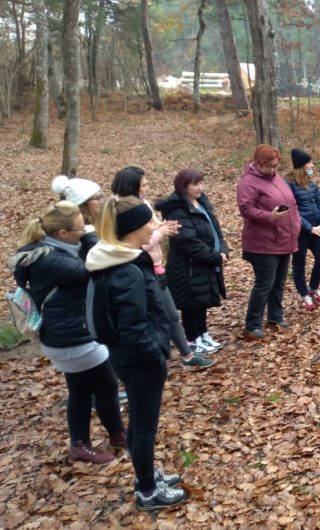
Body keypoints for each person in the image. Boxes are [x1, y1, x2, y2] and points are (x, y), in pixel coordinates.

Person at [85, 196, 188, 511]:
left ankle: (146, 474)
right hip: (140, 363)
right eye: (149, 222)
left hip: (128, 359)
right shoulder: (126, 271)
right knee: (144, 427)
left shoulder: (116, 260)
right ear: (133, 229)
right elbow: (134, 328)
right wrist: (157, 356)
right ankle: (146, 490)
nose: (154, 226)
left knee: (140, 425)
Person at [10, 201, 125, 465]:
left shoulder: (49, 251)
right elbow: (93, 266)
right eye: (78, 229)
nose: (82, 231)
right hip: (72, 338)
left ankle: (81, 444)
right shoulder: (52, 260)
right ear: (62, 234)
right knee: (106, 386)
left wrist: (83, 234)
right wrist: (91, 235)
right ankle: (116, 436)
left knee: (81, 390)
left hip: (65, 335)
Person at [111, 166, 214, 367]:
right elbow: (134, 245)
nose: (147, 187)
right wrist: (161, 232)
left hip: (156, 267)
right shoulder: (123, 209)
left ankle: (187, 356)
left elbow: (153, 229)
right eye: (144, 184)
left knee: (172, 316)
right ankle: (155, 361)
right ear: (132, 186)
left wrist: (163, 228)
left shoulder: (143, 203)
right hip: (140, 270)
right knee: (155, 318)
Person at [155, 169, 229, 359]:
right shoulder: (177, 210)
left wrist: (222, 249)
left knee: (201, 301)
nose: (200, 187)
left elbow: (215, 229)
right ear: (183, 187)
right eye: (195, 184)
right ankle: (192, 339)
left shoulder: (201, 203)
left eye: (201, 183)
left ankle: (203, 334)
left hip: (204, 263)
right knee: (191, 303)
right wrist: (214, 256)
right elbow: (188, 242)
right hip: (187, 267)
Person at [237, 144, 300, 337]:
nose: (273, 169)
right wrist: (269, 216)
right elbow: (246, 209)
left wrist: (296, 224)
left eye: (276, 166)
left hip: (284, 239)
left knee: (279, 281)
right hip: (262, 243)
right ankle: (253, 323)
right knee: (265, 282)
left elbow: (292, 202)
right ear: (259, 163)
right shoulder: (248, 182)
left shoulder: (277, 179)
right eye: (269, 166)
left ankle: (275, 315)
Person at [287, 148, 320, 309]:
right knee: (299, 264)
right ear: (302, 166)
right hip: (300, 232)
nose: (312, 165)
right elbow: (293, 210)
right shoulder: (289, 184)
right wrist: (309, 228)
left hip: (317, 229)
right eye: (309, 163)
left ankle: (313, 288)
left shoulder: (312, 182)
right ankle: (303, 294)